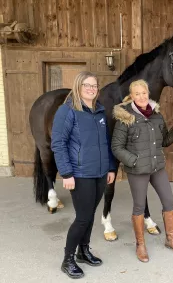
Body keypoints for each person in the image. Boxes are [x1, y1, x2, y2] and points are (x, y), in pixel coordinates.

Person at [111, 79, 173, 263]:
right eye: (137, 94)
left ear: (148, 93)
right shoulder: (125, 117)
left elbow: (164, 141)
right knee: (139, 206)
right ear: (132, 96)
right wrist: (134, 161)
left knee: (169, 200)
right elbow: (116, 146)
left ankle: (170, 238)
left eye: (144, 93)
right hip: (138, 169)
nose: (142, 97)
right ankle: (140, 245)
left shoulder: (156, 115)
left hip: (157, 167)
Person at [51, 71, 116, 279]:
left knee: (89, 215)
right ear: (78, 87)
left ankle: (83, 251)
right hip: (79, 174)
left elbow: (105, 143)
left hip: (99, 172)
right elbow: (58, 143)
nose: (91, 89)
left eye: (94, 86)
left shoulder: (99, 111)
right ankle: (67, 259)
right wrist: (67, 173)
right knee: (82, 218)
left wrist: (110, 168)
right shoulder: (67, 111)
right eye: (87, 85)